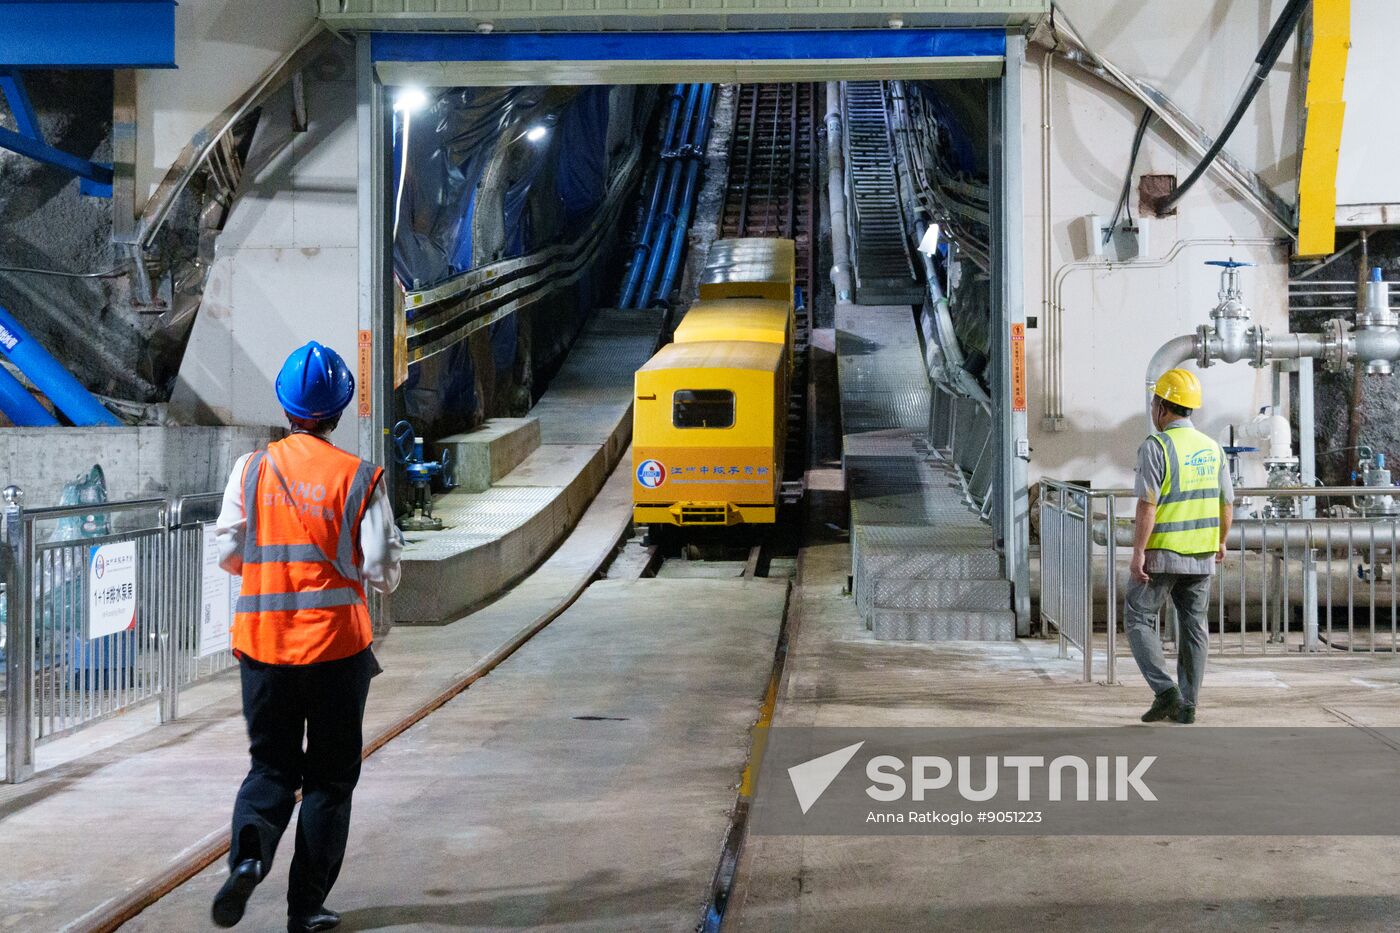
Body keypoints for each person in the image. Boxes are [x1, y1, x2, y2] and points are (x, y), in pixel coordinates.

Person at [210, 341, 403, 932]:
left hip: (263, 649)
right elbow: (382, 570)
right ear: (338, 410)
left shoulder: (252, 468)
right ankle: (306, 908)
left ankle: (248, 857)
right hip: (337, 652)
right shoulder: (359, 477)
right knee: (329, 780)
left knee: (269, 768)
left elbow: (228, 550)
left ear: (286, 405)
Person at [1126, 368, 1233, 726]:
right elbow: (1226, 502)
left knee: (1139, 618)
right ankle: (1187, 704)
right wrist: (1220, 541)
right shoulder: (1213, 448)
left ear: (1162, 408)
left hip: (1162, 553)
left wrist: (1138, 552)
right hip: (1202, 555)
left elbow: (1147, 504)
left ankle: (1166, 693)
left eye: (1156, 403)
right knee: (1193, 627)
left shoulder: (1156, 447)